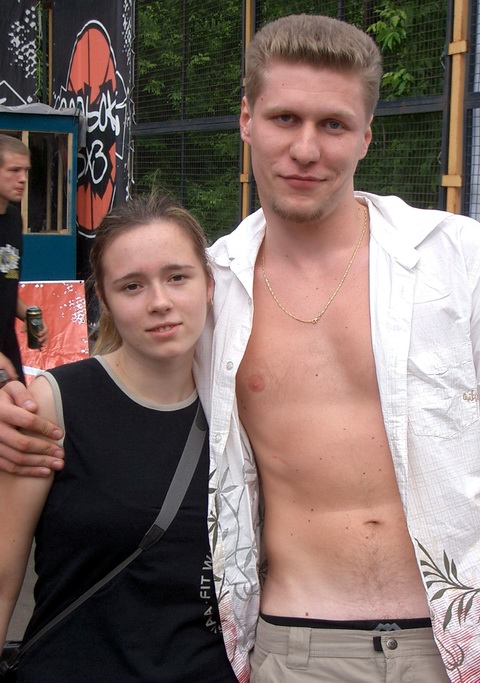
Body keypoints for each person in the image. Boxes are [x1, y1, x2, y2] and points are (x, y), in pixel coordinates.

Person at [0, 13, 479, 683]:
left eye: (333, 124)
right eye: (284, 119)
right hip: (297, 644)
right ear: (247, 120)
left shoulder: (455, 261)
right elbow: (119, 380)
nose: (306, 149)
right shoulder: (210, 290)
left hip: (459, 638)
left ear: (367, 135)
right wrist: (15, 401)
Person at [0, 193, 251, 682]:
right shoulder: (54, 405)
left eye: (177, 277)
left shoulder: (242, 413)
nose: (160, 302)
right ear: (105, 299)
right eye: (132, 286)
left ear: (209, 285)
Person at [0, 134, 48, 385]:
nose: (23, 179)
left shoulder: (13, 219)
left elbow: (6, 282)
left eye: (26, 171)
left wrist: (29, 315)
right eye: (14, 170)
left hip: (7, 344)